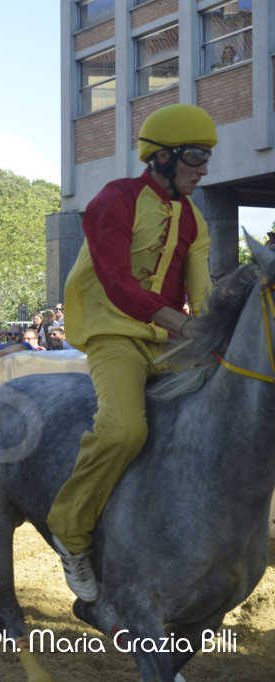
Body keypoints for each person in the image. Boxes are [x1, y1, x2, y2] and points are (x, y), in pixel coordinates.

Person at [47, 103, 216, 603]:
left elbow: (202, 294)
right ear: (161, 158)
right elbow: (117, 284)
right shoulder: (113, 200)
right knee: (124, 429)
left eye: (206, 158)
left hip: (166, 338)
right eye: (194, 157)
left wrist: (214, 332)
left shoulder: (195, 220)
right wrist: (182, 324)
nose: (203, 169)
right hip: (113, 332)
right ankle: (70, 532)